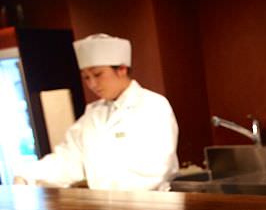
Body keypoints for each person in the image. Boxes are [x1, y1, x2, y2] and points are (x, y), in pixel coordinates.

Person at [14, 33, 178, 191]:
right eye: (86, 77)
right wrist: (28, 176)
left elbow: (156, 168)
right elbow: (68, 160)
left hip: (151, 209)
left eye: (98, 74)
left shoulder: (153, 106)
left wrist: (111, 199)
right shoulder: (93, 113)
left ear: (121, 69)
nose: (92, 84)